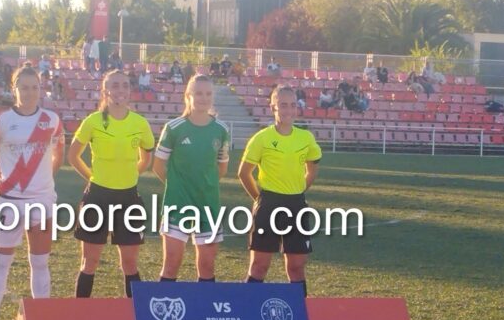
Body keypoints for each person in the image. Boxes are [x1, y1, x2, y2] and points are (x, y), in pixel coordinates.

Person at [0, 63, 65, 320]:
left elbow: (57, 156)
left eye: (34, 87)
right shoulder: (2, 121)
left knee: (40, 262)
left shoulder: (52, 119)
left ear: (41, 89)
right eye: (24, 87)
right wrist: (5, 180)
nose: (29, 93)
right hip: (10, 202)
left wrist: (42, 184)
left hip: (42, 202)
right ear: (13, 89)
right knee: (2, 260)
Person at [67, 70, 155, 298]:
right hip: (98, 197)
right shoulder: (93, 121)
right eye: (114, 85)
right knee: (90, 262)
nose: (120, 90)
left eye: (124, 85)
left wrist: (130, 176)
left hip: (129, 199)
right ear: (105, 90)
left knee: (130, 264)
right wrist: (92, 178)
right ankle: (80, 318)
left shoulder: (140, 123)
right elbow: (73, 155)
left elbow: (146, 158)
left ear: (129, 90)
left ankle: (135, 319)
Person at [238, 85, 322, 296]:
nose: (288, 110)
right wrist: (259, 199)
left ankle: (300, 316)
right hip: (268, 205)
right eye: (283, 105)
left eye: (293, 105)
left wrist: (300, 189)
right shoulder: (261, 138)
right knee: (259, 266)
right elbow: (243, 173)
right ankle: (247, 311)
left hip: (296, 206)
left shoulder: (306, 138)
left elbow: (312, 167)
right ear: (273, 107)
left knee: (296, 266)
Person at [153, 75, 230, 282]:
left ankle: (203, 314)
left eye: (208, 93)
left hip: (208, 205)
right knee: (171, 264)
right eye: (198, 93)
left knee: (207, 267)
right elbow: (158, 165)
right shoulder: (174, 128)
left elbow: (222, 168)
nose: (203, 98)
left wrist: (207, 185)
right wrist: (176, 186)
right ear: (188, 96)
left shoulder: (221, 130)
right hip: (178, 204)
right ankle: (163, 313)